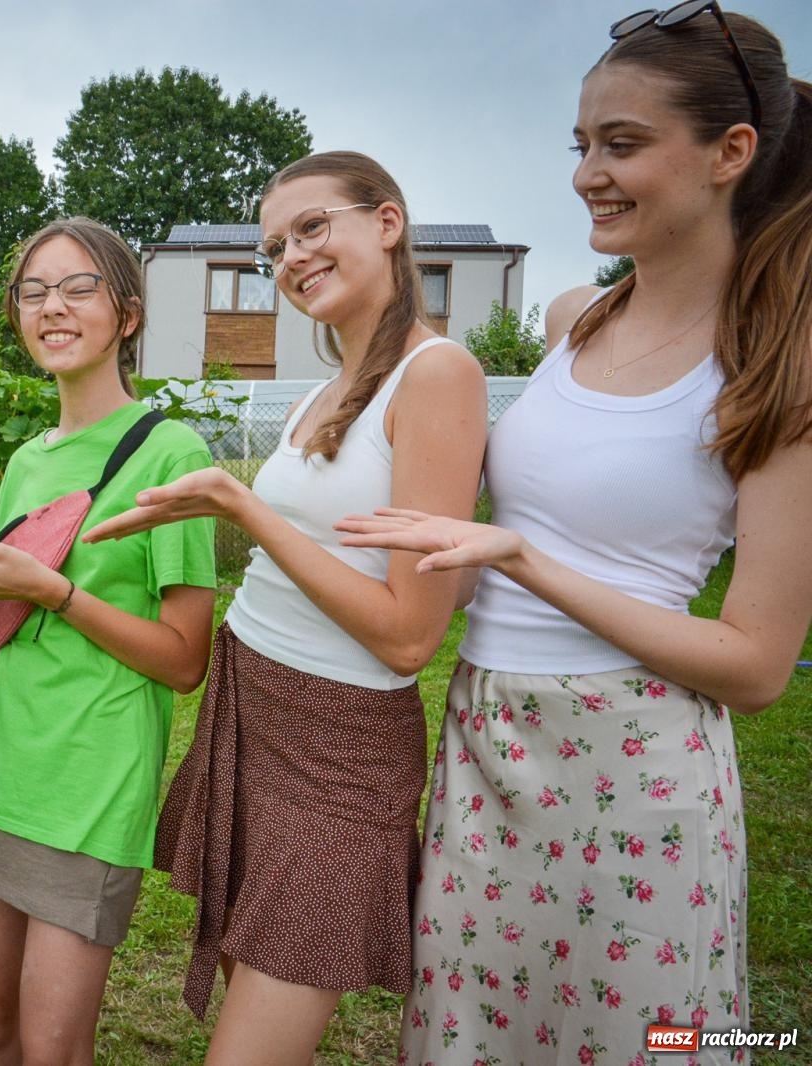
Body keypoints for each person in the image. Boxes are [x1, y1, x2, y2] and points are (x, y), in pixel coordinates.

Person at [335, 7, 812, 1063]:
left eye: (623, 144)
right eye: (581, 144)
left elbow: (755, 666)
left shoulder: (777, 365)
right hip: (484, 731)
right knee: (473, 1037)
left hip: (633, 762)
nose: (587, 172)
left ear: (731, 152)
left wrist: (524, 561)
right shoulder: (570, 319)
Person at [86, 151, 488, 1065]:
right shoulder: (319, 391)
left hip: (338, 749)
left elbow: (407, 635)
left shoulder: (439, 375)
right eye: (274, 246)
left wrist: (242, 506)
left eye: (312, 228)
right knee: (252, 1009)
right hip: (251, 710)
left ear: (386, 222)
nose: (291, 257)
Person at [0, 217, 217, 1066]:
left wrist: (60, 593)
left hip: (85, 783)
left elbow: (185, 659)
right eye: (34, 291)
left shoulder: (170, 454)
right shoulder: (28, 458)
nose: (53, 307)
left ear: (126, 312)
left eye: (78, 287)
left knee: (50, 1048)